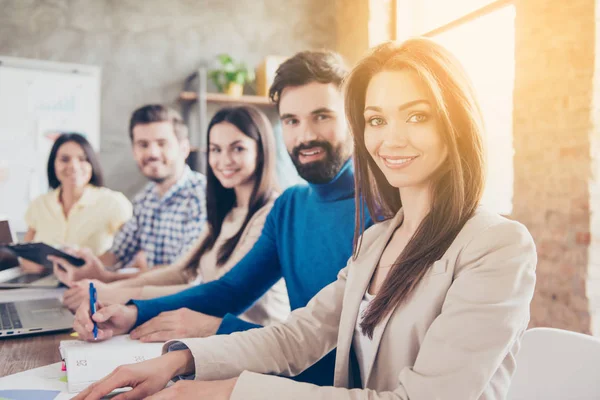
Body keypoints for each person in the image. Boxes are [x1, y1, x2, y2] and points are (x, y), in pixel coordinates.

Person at [74, 38, 537, 400]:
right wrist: (178, 361)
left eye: (416, 115)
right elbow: (299, 335)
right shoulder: (377, 240)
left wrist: (230, 389)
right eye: (376, 120)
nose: (391, 139)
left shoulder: (497, 246)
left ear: (455, 122)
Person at [71, 49, 372, 386]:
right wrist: (133, 313)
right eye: (291, 120)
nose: (305, 136)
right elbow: (229, 290)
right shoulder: (290, 206)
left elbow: (346, 360)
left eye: (322, 116)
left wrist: (214, 327)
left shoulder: (382, 210)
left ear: (352, 117)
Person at [59, 106, 290, 328]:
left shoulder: (270, 213)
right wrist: (105, 284)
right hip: (212, 333)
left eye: (238, 148)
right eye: (216, 150)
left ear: (262, 151)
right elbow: (182, 269)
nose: (224, 160)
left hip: (252, 340)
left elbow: (221, 291)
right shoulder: (224, 211)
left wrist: (118, 293)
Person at [50, 105, 207, 283]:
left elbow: (184, 271)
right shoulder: (145, 199)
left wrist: (107, 277)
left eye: (162, 143)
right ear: (134, 152)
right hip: (153, 301)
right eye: (143, 145)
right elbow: (116, 254)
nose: (152, 153)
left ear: (184, 148)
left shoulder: (202, 196)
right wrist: (81, 263)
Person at [20, 133, 132, 274]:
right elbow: (25, 255)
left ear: (92, 163)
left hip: (93, 284)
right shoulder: (39, 204)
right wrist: (35, 265)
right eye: (64, 159)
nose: (73, 166)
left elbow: (133, 252)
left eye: (82, 159)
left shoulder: (113, 202)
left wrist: (88, 264)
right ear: (53, 164)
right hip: (43, 283)